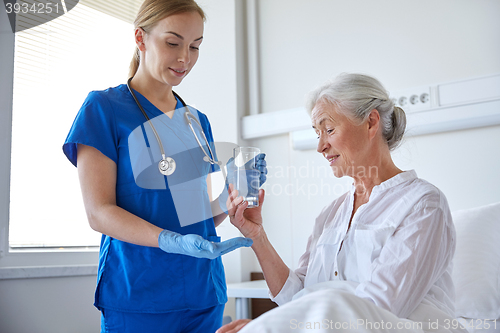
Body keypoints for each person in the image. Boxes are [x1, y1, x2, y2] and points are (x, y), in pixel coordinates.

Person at [62, 0, 266, 332]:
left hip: (203, 292)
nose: (185, 57)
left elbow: (200, 216)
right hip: (140, 294)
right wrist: (170, 240)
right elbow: (98, 212)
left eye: (195, 46)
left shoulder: (196, 121)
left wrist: (236, 192)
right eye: (173, 43)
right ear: (140, 38)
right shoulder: (103, 109)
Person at [218, 73, 466, 333]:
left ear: (371, 122)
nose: (320, 147)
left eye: (329, 129)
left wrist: (275, 328)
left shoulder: (422, 205)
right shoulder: (331, 214)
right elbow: (297, 297)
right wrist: (257, 235)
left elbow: (379, 311)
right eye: (317, 133)